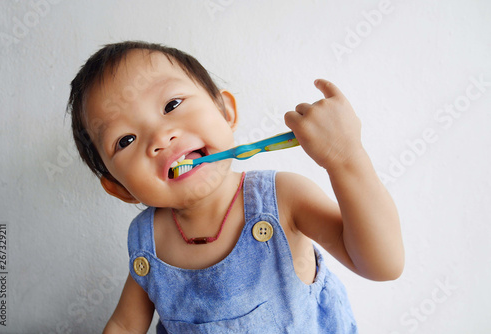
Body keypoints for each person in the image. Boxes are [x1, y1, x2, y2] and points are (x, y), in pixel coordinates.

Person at [67, 41, 404, 333]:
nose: (160, 137)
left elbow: (382, 264)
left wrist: (346, 160)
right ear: (119, 188)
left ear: (225, 111)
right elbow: (126, 325)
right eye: (126, 139)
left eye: (171, 105)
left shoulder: (283, 198)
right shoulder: (148, 241)